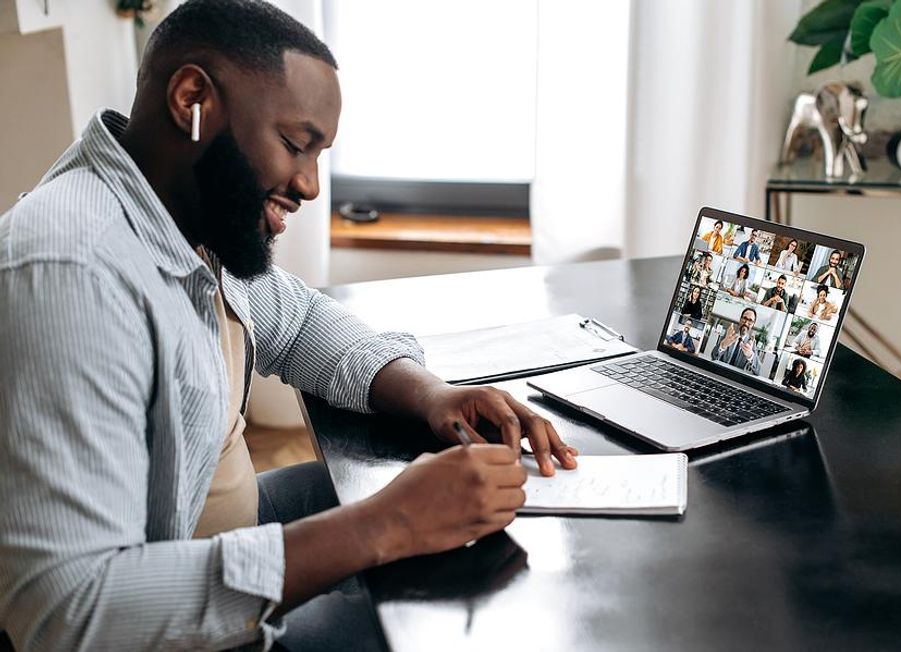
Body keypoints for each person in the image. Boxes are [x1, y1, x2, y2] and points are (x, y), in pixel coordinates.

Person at [0, 2, 579, 650]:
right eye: (296, 145)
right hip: (149, 618)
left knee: (425, 484)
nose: (308, 185)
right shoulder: (71, 273)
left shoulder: (185, 217)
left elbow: (299, 320)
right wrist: (383, 527)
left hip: (212, 530)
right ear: (192, 97)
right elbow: (64, 611)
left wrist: (429, 394)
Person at [710, 308, 761, 375]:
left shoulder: (751, 343)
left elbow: (758, 371)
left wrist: (750, 356)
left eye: (750, 321)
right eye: (744, 318)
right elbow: (713, 356)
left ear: (753, 324)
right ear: (740, 319)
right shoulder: (729, 335)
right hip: (720, 373)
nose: (746, 323)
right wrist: (723, 346)